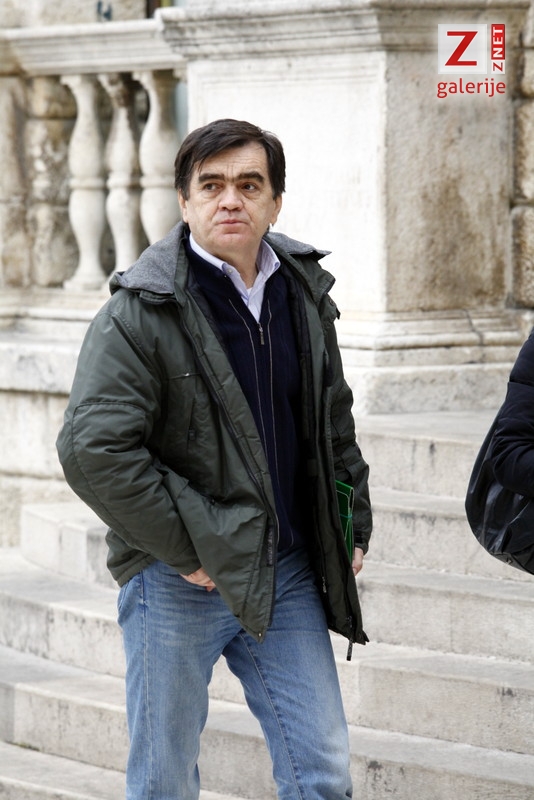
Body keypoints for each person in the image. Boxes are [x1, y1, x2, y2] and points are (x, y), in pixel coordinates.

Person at [56, 118, 372, 800]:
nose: (231, 199)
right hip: (178, 580)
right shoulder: (139, 312)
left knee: (323, 774)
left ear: (275, 203)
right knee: (164, 782)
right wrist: (185, 548)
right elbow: (92, 450)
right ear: (185, 201)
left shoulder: (303, 293)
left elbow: (332, 421)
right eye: (212, 185)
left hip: (286, 571)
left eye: (250, 185)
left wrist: (353, 527)